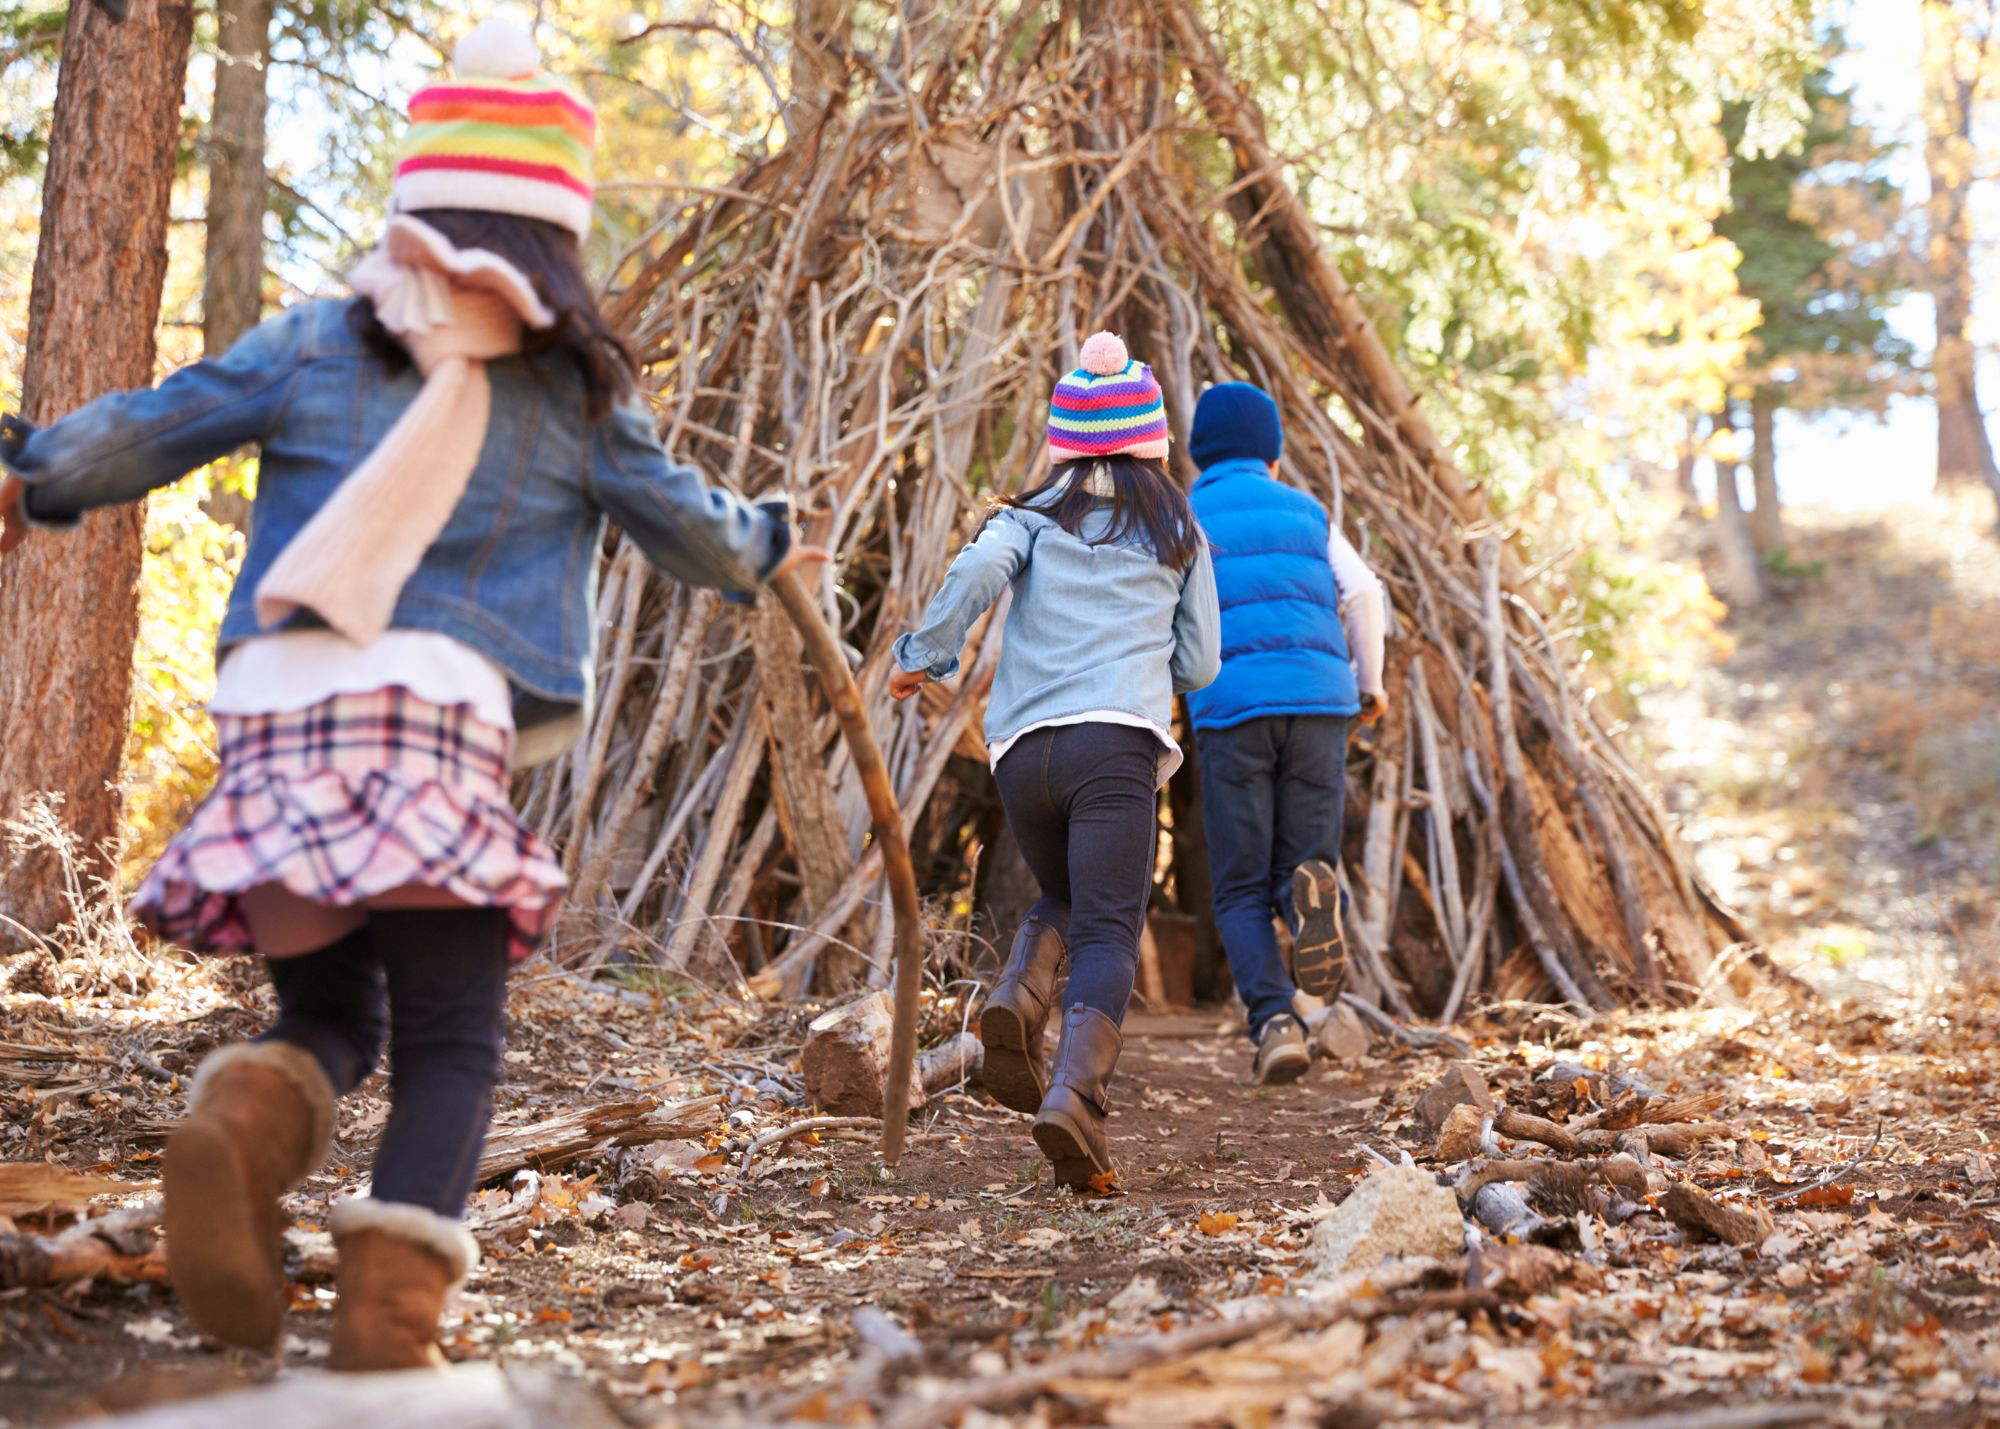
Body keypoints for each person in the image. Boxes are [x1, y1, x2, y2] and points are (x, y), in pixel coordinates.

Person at [0, 21, 821, 1369]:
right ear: (556, 233)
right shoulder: (569, 394)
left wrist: (35, 478)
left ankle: (247, 1125)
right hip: (430, 727)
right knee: (449, 1040)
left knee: (327, 1019)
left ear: (416, 205)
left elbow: (161, 419)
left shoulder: (319, 341)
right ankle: (388, 1317)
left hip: (277, 723)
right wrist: (772, 539)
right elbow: (695, 534)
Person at [889, 332, 1218, 1188]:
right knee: (1111, 923)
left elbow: (975, 573)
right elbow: (1202, 664)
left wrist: (923, 655)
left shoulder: (1029, 517)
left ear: (1066, 442)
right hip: (1115, 745)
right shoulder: (1178, 526)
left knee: (1068, 896)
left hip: (1020, 751)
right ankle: (1075, 1096)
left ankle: (1018, 998)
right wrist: (1154, 669)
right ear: (1150, 440)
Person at [1184, 382, 1387, 1085]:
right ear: (1272, 452)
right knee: (1302, 863)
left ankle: (1273, 1022)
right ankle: (1308, 906)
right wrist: (1369, 682)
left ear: (1198, 452)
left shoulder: (1188, 515)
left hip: (1232, 706)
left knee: (1238, 885)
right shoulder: (1307, 512)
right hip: (1321, 702)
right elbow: (1362, 592)